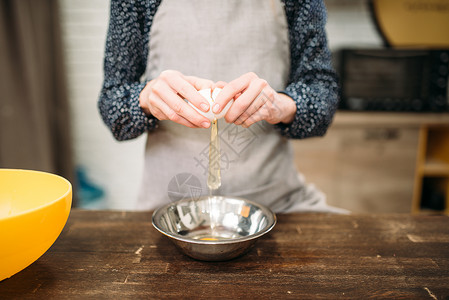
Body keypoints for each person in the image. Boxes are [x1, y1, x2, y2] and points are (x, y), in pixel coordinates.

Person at [98, 0, 347, 213]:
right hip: (170, 206)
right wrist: (144, 98)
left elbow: (323, 97)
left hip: (277, 204)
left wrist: (280, 105)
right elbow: (112, 104)